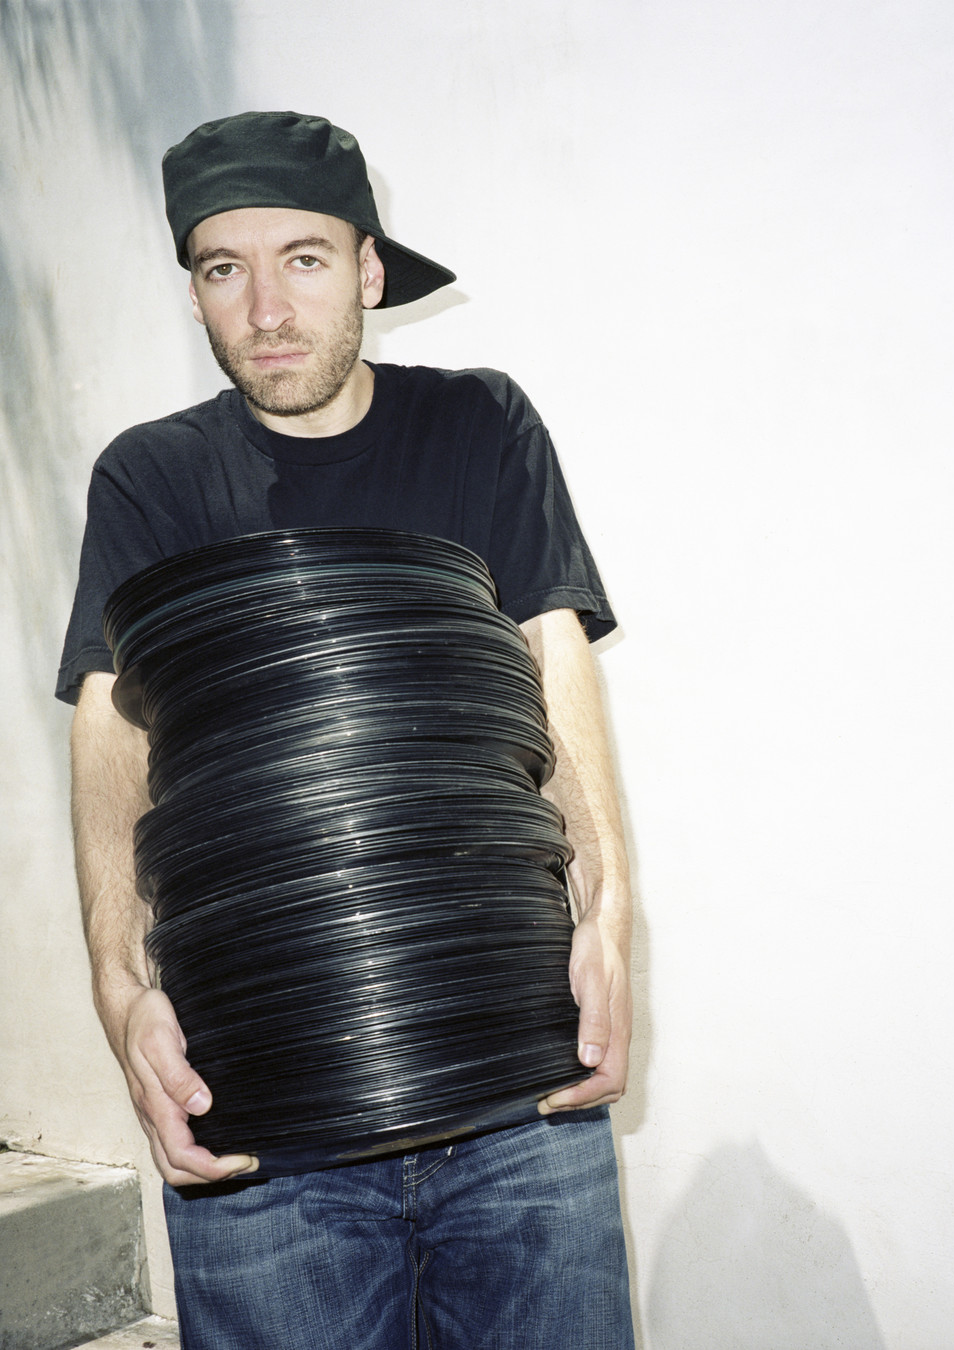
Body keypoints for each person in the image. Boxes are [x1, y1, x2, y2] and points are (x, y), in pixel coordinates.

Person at [59, 111, 633, 1349]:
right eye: (224, 268)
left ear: (369, 269)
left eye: (304, 258)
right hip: (256, 1109)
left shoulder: (482, 426)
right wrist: (119, 989)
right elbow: (113, 731)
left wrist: (607, 913)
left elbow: (552, 659)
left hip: (514, 1084)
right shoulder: (149, 478)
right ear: (195, 292)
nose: (266, 308)